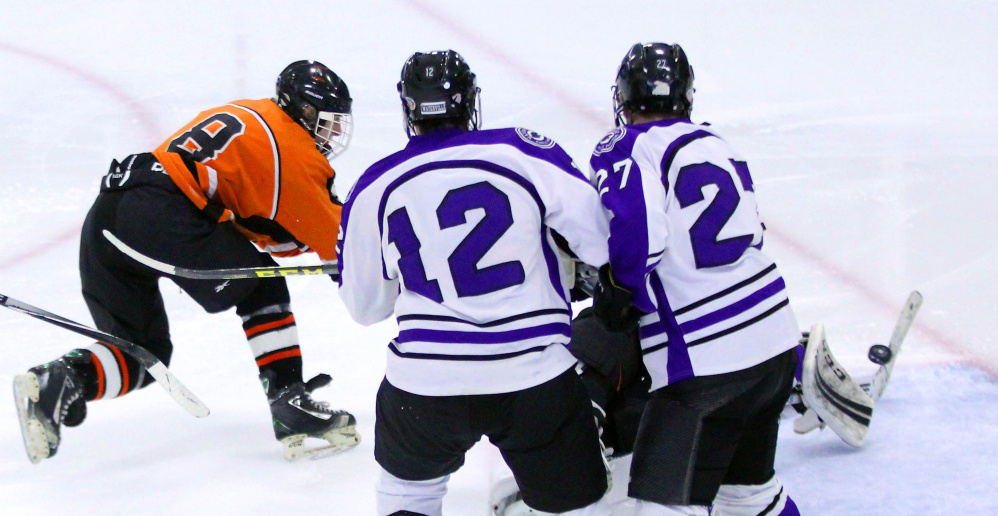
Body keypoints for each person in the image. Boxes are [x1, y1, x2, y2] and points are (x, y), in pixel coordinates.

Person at [13, 60, 359, 464]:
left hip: (110, 213)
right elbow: (341, 243)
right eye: (328, 121)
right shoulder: (294, 152)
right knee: (262, 282)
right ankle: (290, 402)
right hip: (159, 213)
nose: (334, 133)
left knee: (144, 356)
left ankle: (63, 377)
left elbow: (252, 221)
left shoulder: (251, 112)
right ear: (303, 110)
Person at [337, 50, 613, 516]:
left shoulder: (374, 185)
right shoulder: (521, 151)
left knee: (408, 498)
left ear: (408, 110)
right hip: (533, 376)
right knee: (575, 506)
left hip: (425, 386)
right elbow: (601, 243)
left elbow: (366, 308)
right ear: (470, 103)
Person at [586, 43, 802, 515]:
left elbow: (640, 232)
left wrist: (620, 291)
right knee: (749, 496)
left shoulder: (627, 147)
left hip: (705, 365)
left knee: (665, 507)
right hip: (776, 344)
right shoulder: (717, 143)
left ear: (623, 97)